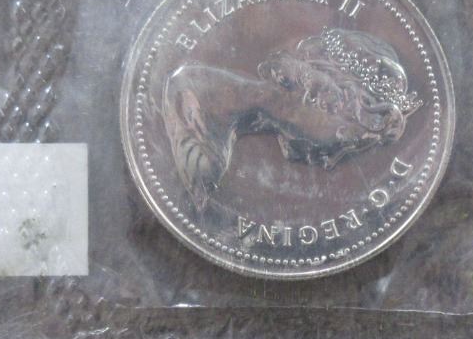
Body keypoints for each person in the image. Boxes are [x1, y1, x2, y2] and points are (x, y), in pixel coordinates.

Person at [161, 27, 421, 211]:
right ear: (324, 95)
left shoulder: (212, 135)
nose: (331, 159)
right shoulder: (191, 103)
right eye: (344, 135)